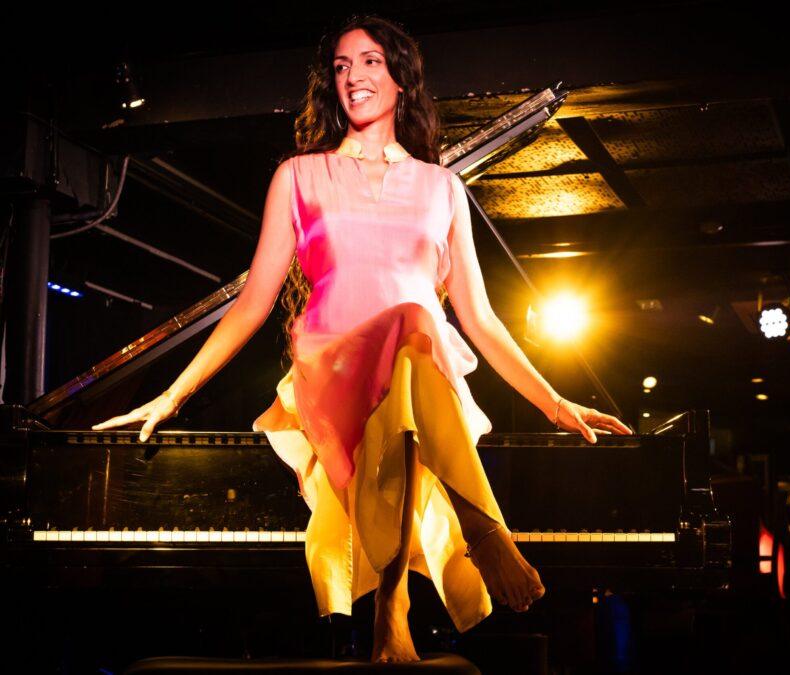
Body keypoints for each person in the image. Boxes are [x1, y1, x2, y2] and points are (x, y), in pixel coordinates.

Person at [92, 14, 632, 664]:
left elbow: (483, 320)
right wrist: (172, 395)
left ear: (401, 77)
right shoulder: (299, 175)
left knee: (413, 336)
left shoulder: (443, 189)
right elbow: (252, 303)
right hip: (329, 378)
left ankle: (392, 605)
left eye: (370, 62)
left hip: (414, 383)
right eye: (342, 67)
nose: (354, 77)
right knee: (415, 320)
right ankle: (483, 529)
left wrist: (556, 402)